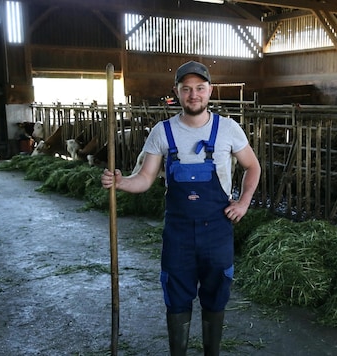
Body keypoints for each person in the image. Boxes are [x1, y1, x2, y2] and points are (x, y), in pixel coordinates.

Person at [101, 60, 261, 356]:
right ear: (176, 92)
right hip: (178, 234)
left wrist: (243, 203)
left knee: (216, 294)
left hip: (217, 230)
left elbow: (253, 166)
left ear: (210, 91)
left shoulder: (228, 129)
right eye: (186, 89)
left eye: (200, 88)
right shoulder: (162, 132)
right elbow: (145, 179)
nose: (193, 94)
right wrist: (121, 183)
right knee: (176, 296)